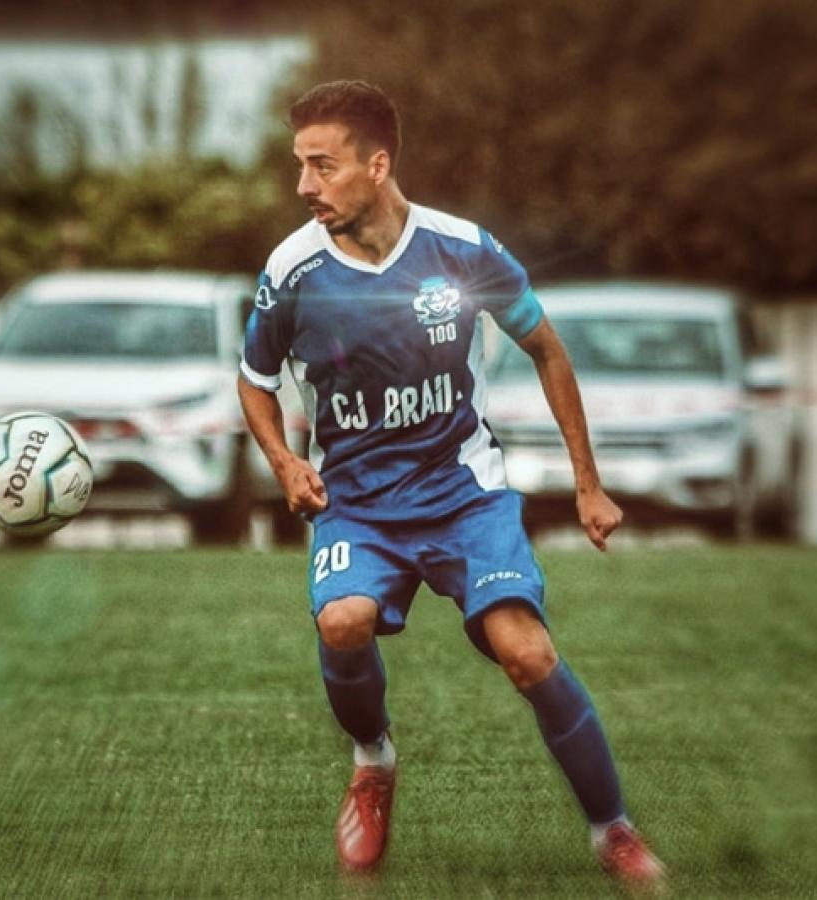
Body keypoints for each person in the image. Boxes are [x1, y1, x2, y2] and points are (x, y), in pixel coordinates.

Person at [237, 80, 665, 891]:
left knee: (527, 653)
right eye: (299, 165)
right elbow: (254, 380)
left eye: (322, 166)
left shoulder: (462, 249)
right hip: (357, 501)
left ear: (377, 164)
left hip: (463, 491)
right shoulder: (293, 270)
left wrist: (589, 484)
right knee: (343, 621)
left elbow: (547, 349)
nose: (303, 186)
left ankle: (612, 829)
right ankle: (373, 761)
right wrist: (286, 463)